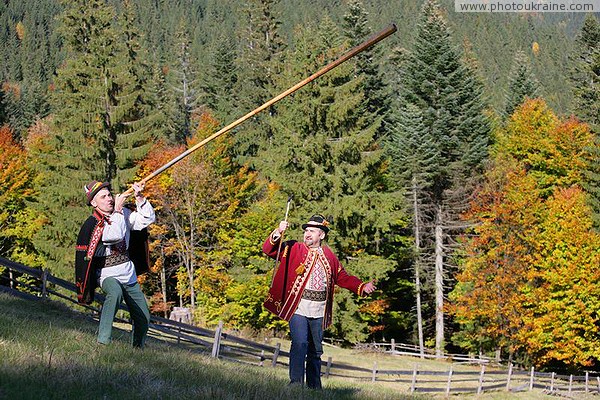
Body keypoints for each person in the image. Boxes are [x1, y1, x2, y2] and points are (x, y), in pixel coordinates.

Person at [263, 214, 376, 389]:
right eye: (306, 231)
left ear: (321, 235)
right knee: (299, 343)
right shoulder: (293, 248)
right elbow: (269, 250)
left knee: (315, 351)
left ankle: (315, 387)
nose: (307, 234)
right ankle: (295, 383)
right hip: (298, 307)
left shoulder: (330, 256)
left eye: (312, 231)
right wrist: (278, 232)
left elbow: (342, 277)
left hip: (319, 310)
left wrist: (361, 286)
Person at [75, 180, 155, 348]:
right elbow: (115, 235)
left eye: (109, 195)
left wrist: (139, 197)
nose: (109, 199)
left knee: (143, 316)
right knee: (115, 293)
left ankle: (138, 348)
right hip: (107, 274)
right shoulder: (94, 223)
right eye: (103, 197)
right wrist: (118, 210)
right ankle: (103, 342)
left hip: (128, 272)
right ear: (94, 203)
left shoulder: (124, 213)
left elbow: (147, 219)